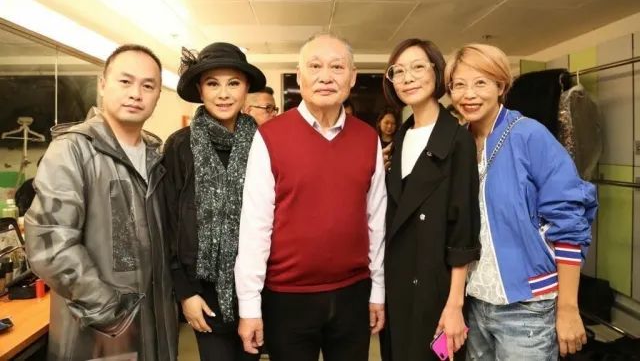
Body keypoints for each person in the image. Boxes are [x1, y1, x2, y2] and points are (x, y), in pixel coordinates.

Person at [235, 33, 386, 361]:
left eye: (337, 67)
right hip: (287, 298)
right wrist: (249, 306)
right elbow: (255, 226)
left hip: (353, 294)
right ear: (299, 75)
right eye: (315, 66)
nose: (326, 77)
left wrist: (378, 290)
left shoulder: (367, 137)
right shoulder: (270, 136)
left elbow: (376, 221)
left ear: (352, 77)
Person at [24, 44, 178, 360]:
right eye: (125, 81)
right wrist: (113, 314)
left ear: (157, 96)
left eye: (148, 86)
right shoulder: (73, 150)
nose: (136, 94)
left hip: (158, 331)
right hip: (101, 335)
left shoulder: (157, 158)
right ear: (103, 85)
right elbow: (51, 246)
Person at [445, 43, 597, 360]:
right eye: (459, 85)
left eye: (480, 83)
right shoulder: (459, 142)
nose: (468, 94)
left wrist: (568, 307)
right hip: (476, 301)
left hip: (528, 307)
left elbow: (569, 220)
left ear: (501, 86)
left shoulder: (528, 135)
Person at [162, 43, 266, 361]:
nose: (223, 94)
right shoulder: (180, 146)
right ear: (200, 89)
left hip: (257, 289)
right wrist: (185, 293)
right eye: (212, 83)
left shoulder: (264, 143)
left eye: (233, 83)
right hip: (203, 291)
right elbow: (168, 223)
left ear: (246, 88)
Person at [380, 38, 481, 361]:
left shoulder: (457, 140)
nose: (407, 78)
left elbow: (463, 230)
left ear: (437, 73)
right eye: (398, 71)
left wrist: (454, 305)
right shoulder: (401, 137)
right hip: (397, 284)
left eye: (417, 67)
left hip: (436, 290)